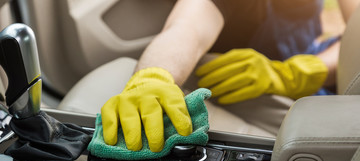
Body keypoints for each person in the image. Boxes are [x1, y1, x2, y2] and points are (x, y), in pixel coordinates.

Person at [101, 0, 359, 152]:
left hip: (302, 62)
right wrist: (153, 79)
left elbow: (356, 33)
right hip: (233, 81)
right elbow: (188, 26)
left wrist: (297, 73)